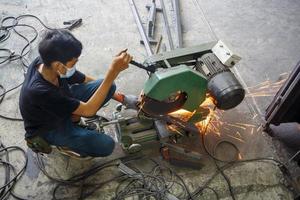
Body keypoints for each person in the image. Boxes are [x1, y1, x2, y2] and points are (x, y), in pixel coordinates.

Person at [19, 29, 137, 157]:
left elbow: (84, 79)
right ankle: (67, 144)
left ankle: (73, 119)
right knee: (107, 145)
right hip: (48, 126)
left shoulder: (48, 62)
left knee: (109, 86)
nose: (75, 64)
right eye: (74, 62)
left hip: (59, 103)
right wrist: (113, 72)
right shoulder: (40, 91)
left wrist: (122, 98)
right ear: (59, 65)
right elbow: (88, 111)